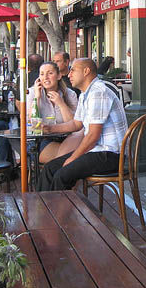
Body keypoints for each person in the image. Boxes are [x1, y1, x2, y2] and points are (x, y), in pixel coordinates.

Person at [38, 58, 127, 191]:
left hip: (110, 154)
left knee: (62, 175)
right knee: (50, 168)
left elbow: (92, 135)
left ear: (86, 71)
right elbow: (76, 124)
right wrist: (50, 128)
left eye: (73, 70)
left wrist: (73, 158)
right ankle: (44, 209)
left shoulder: (98, 92)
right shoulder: (86, 93)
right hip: (96, 151)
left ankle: (58, 211)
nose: (69, 75)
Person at [27, 62, 79, 164]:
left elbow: (74, 124)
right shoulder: (32, 93)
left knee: (73, 157)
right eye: (42, 74)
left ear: (59, 76)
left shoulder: (70, 94)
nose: (45, 77)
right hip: (39, 141)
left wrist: (61, 103)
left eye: (50, 73)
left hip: (66, 139)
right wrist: (37, 97)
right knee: (71, 159)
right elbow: (31, 120)